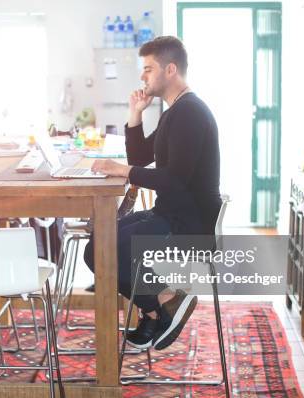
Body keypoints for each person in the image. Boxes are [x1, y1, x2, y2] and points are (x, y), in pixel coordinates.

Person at [84, 36, 221, 350]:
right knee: (96, 249)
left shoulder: (190, 113)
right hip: (169, 214)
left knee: (107, 249)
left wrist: (122, 171)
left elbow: (173, 179)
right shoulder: (176, 111)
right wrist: (136, 114)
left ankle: (166, 300)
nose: (143, 76)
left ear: (170, 69)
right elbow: (141, 158)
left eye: (148, 69)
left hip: (188, 225)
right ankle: (157, 308)